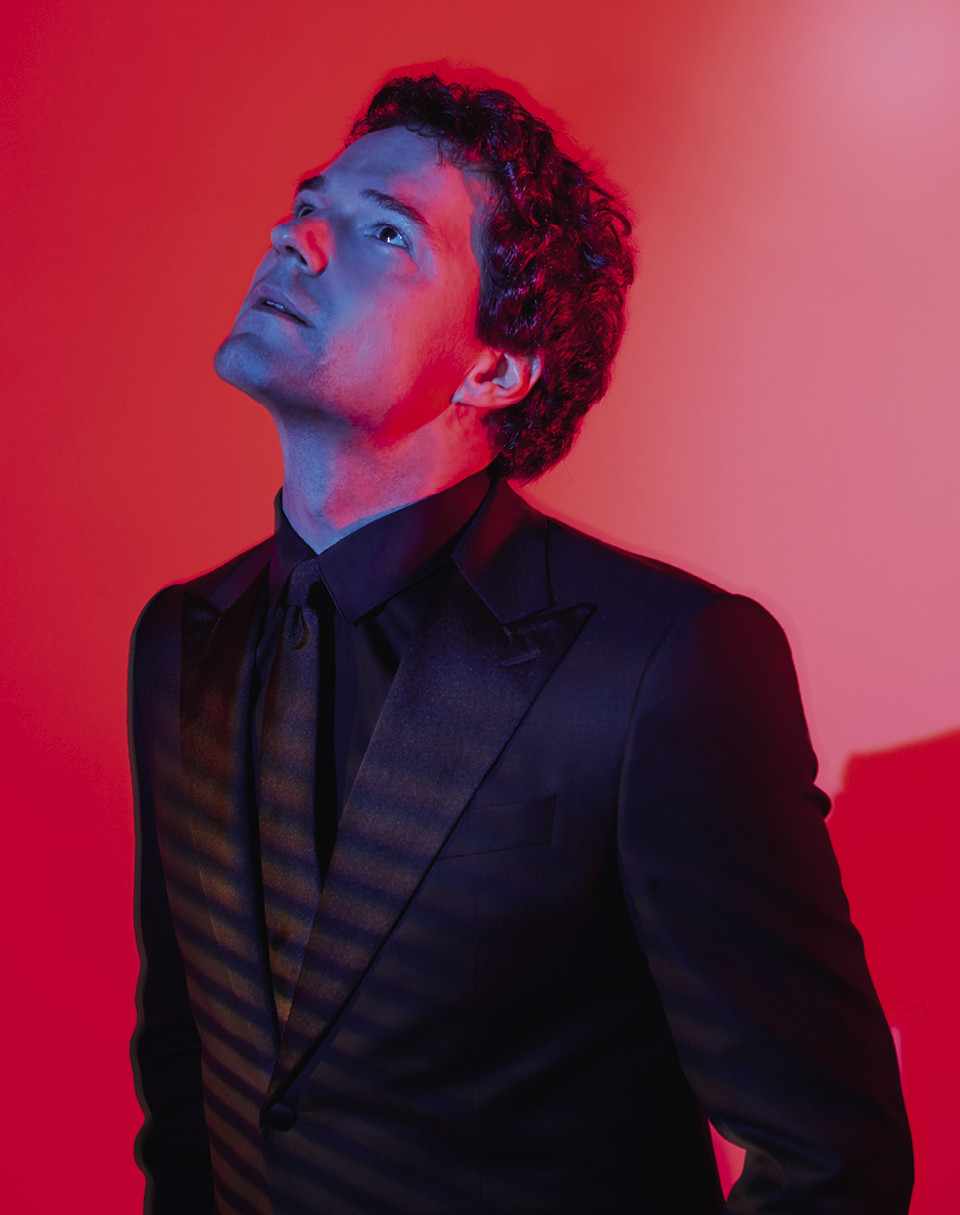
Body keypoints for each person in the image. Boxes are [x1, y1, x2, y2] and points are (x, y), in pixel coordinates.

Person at [129, 74, 912, 1215]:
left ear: (494, 367)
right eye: (307, 204)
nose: (294, 237)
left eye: (385, 233)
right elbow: (188, 1081)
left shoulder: (664, 663)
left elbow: (830, 1157)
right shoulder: (179, 640)